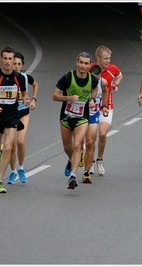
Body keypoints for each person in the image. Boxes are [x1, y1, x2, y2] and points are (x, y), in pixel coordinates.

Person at [52, 52, 98, 189]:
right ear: (77, 62)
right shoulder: (67, 77)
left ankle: (73, 176)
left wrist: (93, 99)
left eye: (86, 63)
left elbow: (95, 88)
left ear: (90, 65)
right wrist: (69, 98)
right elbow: (54, 96)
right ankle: (71, 160)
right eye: (81, 62)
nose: (83, 66)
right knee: (67, 147)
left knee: (77, 145)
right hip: (66, 116)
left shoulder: (92, 79)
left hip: (82, 117)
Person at [0, 46, 28, 193]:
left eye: (10, 59)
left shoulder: (18, 77)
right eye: (5, 59)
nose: (8, 62)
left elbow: (24, 93)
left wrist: (26, 99)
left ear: (14, 60)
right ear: (1, 59)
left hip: (12, 116)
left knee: (9, 147)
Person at [89, 45, 123, 176]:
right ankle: (90, 161)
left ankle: (99, 160)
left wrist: (115, 84)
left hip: (106, 106)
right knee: (91, 138)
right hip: (91, 107)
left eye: (109, 58)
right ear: (98, 59)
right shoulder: (91, 69)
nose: (108, 61)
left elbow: (119, 76)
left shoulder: (112, 69)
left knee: (102, 134)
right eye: (105, 58)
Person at [6, 52, 39, 185]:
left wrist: (34, 99)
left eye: (19, 64)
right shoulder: (6, 78)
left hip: (23, 111)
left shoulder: (25, 77)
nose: (16, 67)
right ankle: (13, 171)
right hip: (10, 113)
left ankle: (21, 168)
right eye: (15, 64)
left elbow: (35, 85)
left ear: (22, 65)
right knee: (12, 146)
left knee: (20, 142)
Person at [82, 65, 109, 183]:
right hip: (82, 115)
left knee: (90, 142)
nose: (95, 82)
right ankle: (80, 153)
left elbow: (106, 90)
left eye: (97, 79)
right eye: (94, 79)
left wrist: (104, 105)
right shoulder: (83, 82)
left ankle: (87, 170)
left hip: (94, 115)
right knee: (79, 143)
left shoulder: (102, 82)